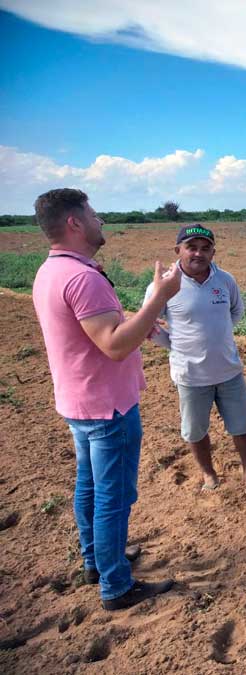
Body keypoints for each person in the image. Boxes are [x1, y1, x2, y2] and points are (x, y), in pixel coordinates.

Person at [32, 188, 180, 611]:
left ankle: (97, 560)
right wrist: (161, 301)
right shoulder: (82, 278)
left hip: (79, 401)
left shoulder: (53, 271)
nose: (101, 221)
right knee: (113, 496)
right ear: (75, 223)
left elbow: (107, 328)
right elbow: (115, 344)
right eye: (93, 214)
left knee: (90, 486)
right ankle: (116, 585)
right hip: (106, 407)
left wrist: (150, 301)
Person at [144, 224, 246, 492]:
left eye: (205, 248)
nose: (198, 253)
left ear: (213, 252)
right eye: (191, 247)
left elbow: (235, 313)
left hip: (229, 371)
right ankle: (209, 475)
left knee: (243, 425)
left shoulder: (225, 280)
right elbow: (148, 325)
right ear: (178, 250)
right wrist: (174, 345)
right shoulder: (164, 285)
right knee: (195, 430)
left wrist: (216, 337)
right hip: (191, 376)